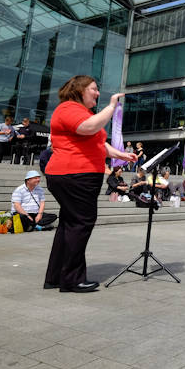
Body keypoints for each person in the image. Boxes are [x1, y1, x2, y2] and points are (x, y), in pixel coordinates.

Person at [44, 75, 137, 293]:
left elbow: (98, 143)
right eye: (93, 89)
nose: (97, 93)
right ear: (79, 90)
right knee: (80, 224)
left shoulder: (82, 113)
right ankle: (72, 279)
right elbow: (88, 128)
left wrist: (121, 155)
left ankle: (56, 276)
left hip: (76, 174)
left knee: (70, 224)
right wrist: (112, 106)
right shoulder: (68, 108)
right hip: (74, 174)